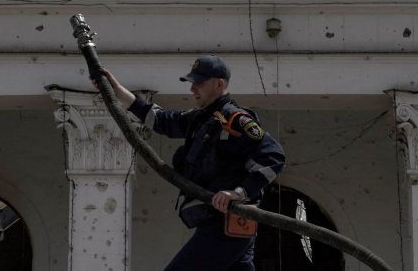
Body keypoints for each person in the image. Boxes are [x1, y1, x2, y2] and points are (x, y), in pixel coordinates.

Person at [98, 55, 285, 271]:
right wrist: (116, 89)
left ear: (219, 84)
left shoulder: (235, 120)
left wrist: (238, 193)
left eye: (199, 83)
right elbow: (159, 120)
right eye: (192, 83)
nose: (193, 89)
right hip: (229, 227)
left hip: (224, 225)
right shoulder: (200, 118)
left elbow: (274, 157)